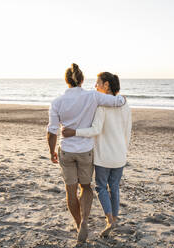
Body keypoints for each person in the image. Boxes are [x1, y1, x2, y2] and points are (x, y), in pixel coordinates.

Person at [47, 64, 126, 243]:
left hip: (66, 150)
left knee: (71, 191)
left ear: (67, 81)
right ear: (82, 80)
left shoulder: (57, 102)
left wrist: (52, 151)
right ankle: (84, 221)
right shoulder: (92, 96)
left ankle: (78, 224)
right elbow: (116, 101)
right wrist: (124, 100)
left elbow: (52, 131)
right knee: (86, 187)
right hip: (85, 151)